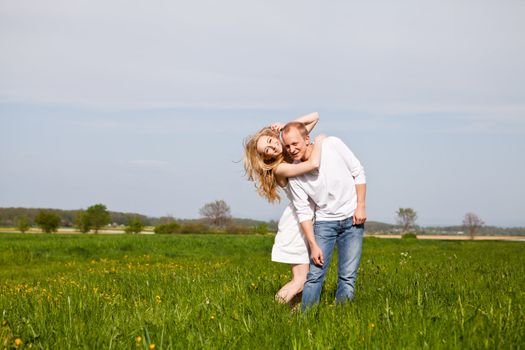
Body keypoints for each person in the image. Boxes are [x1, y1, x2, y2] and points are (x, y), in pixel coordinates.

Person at [281, 121, 366, 310]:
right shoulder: (295, 174)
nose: (292, 149)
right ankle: (307, 318)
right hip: (324, 223)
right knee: (314, 275)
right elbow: (303, 210)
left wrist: (360, 206)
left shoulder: (332, 145)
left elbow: (358, 172)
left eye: (295, 143)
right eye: (287, 146)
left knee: (348, 276)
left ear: (306, 139)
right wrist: (313, 244)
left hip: (352, 219)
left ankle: (342, 317)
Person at [243, 112, 326, 304]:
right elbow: (314, 164)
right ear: (266, 158)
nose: (273, 146)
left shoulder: (290, 152)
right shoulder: (280, 169)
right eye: (268, 150)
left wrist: (286, 125)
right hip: (296, 225)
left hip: (306, 221)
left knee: (304, 283)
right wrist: (321, 140)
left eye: (271, 141)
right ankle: (271, 313)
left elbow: (315, 117)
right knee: (300, 281)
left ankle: (292, 320)